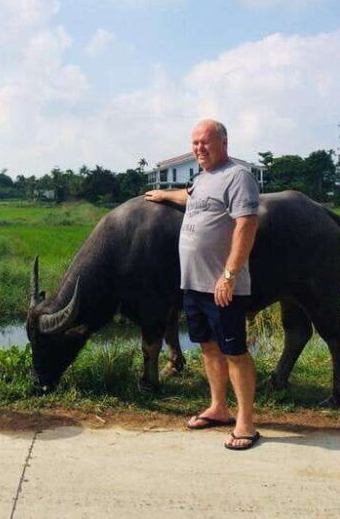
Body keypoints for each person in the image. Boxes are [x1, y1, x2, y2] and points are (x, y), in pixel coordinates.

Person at [145, 119, 261, 450]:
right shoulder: (203, 178)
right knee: (208, 347)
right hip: (193, 284)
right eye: (195, 143)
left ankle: (246, 422)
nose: (199, 148)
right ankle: (218, 408)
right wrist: (165, 194)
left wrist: (229, 274)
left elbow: (246, 224)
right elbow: (191, 196)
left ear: (224, 142)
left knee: (234, 351)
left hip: (221, 285)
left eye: (206, 142)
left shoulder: (238, 176)